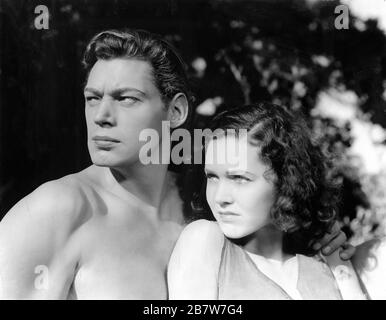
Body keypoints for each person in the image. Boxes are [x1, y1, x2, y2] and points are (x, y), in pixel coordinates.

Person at [0, 29, 352, 300]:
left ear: (176, 111)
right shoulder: (59, 209)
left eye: (125, 99)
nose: (101, 116)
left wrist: (323, 243)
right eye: (93, 99)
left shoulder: (204, 206)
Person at [168, 103, 367, 300]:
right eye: (212, 177)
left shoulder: (324, 258)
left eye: (239, 178)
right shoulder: (204, 239)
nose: (220, 197)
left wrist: (341, 266)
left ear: (286, 180)